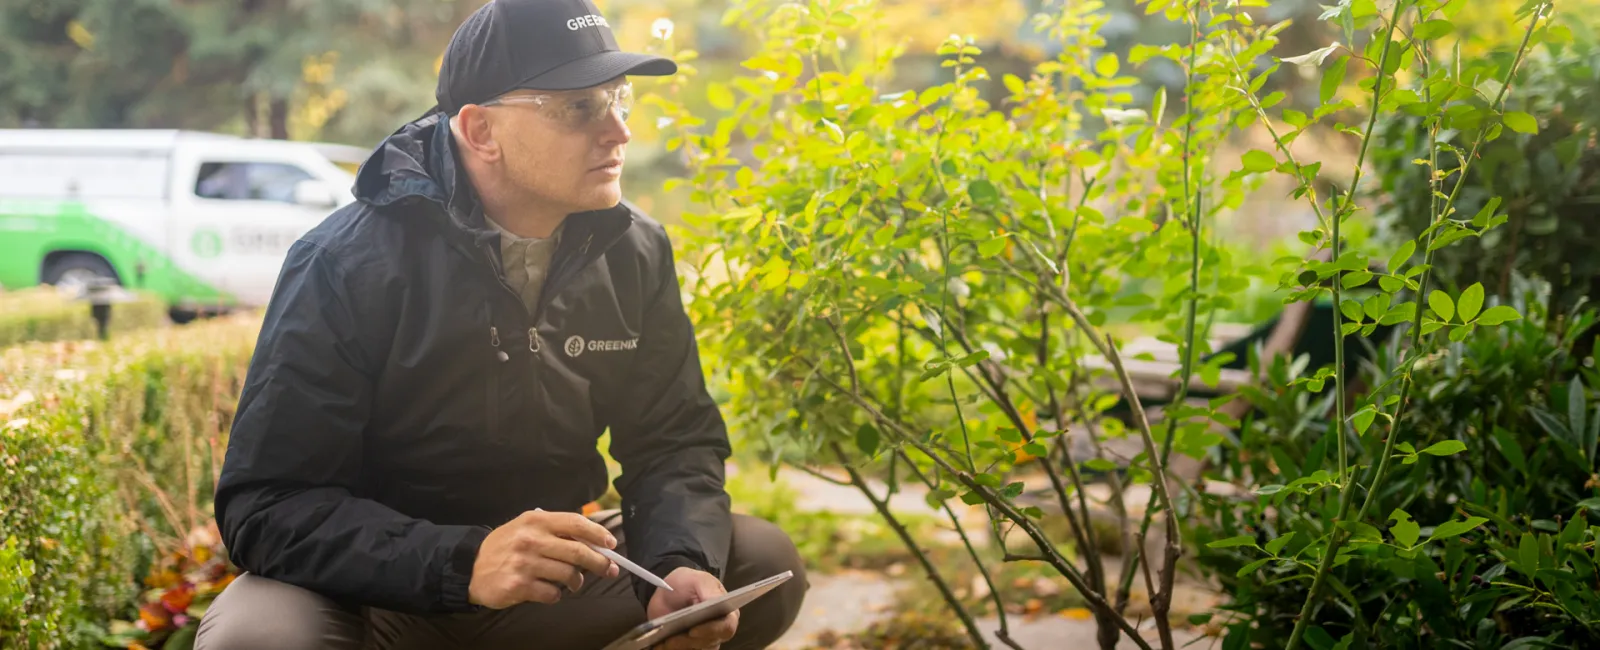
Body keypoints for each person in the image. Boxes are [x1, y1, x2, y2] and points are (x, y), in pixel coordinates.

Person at [194, 0, 807, 648]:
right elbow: (267, 506)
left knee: (757, 565)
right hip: (374, 596)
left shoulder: (633, 250)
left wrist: (680, 560)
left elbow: (672, 440)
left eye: (618, 99)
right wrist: (463, 563)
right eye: (579, 107)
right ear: (481, 129)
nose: (619, 131)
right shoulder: (345, 263)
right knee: (255, 639)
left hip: (546, 585)